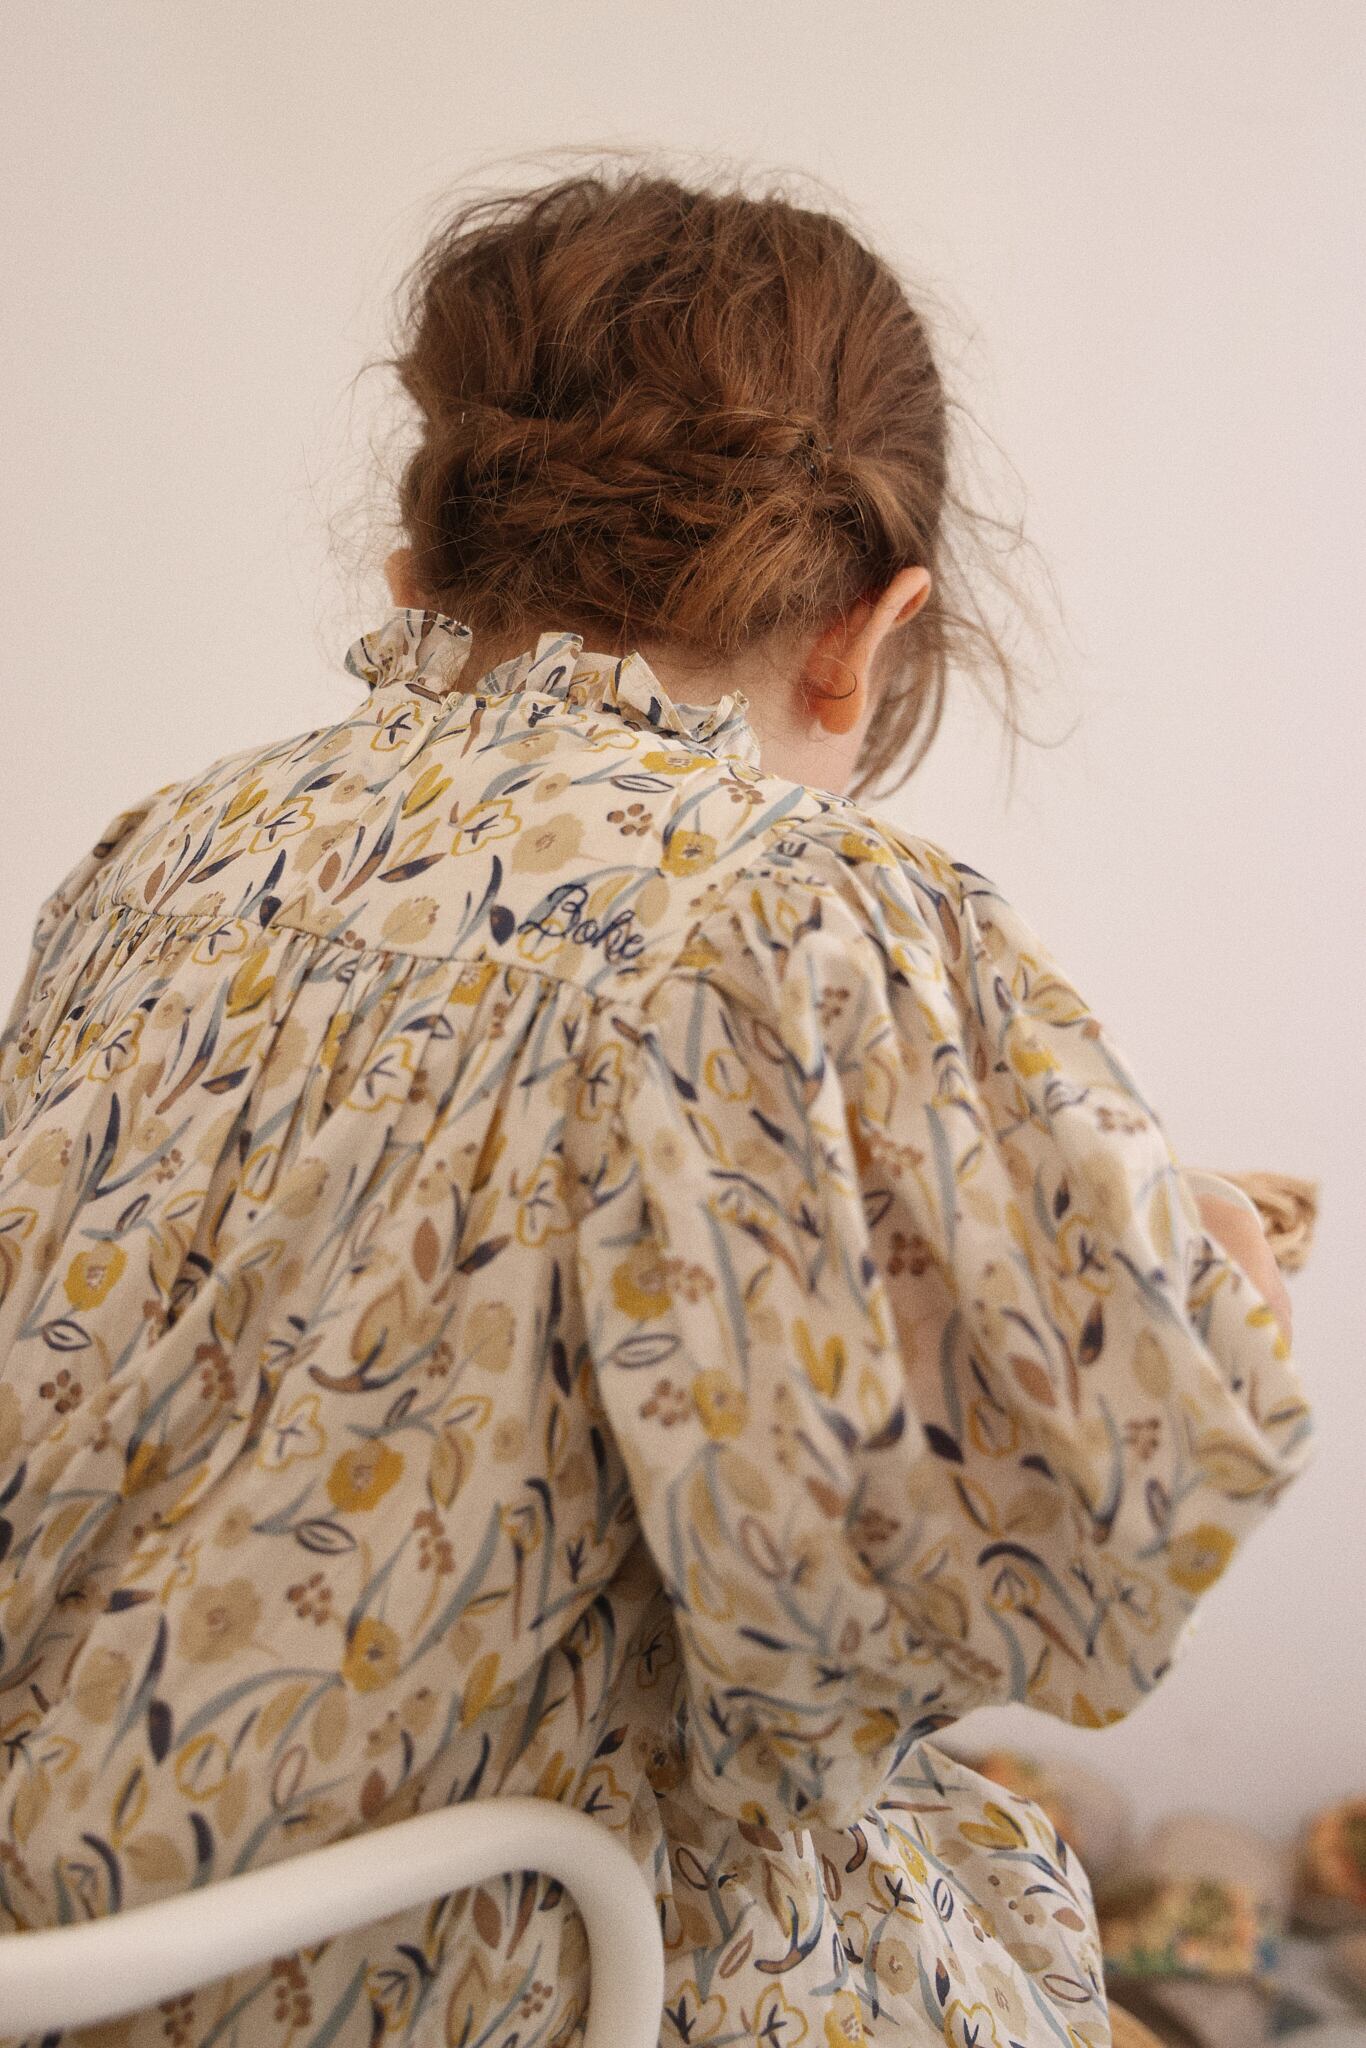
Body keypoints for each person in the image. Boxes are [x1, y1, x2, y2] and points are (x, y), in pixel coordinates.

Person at [0, 164, 1309, 2048]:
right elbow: (1031, 1593)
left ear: (418, 582)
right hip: (458, 1966)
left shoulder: (165, 853)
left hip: (63, 1947)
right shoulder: (786, 912)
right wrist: (1203, 1297)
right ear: (866, 633)